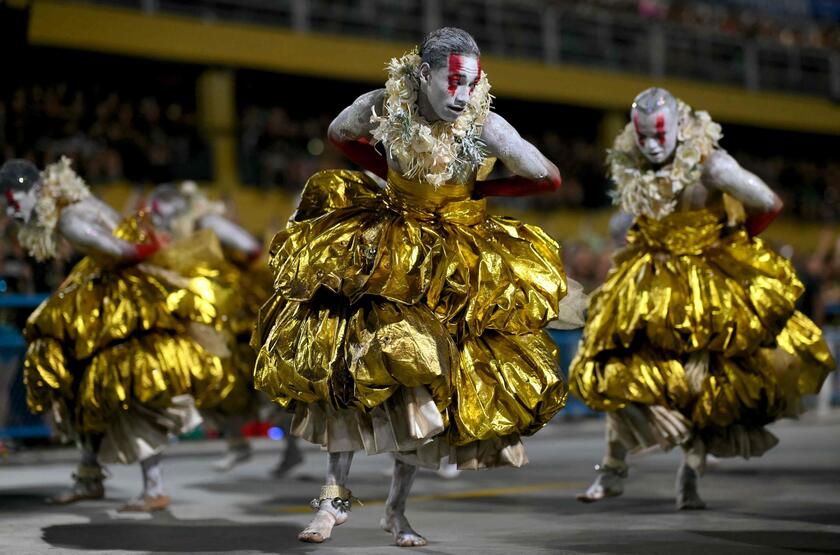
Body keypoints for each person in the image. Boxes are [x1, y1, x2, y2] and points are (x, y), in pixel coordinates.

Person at [252, 27, 582, 546]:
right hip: (387, 247)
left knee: (429, 390)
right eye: (452, 83)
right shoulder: (380, 105)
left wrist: (473, 191)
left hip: (452, 258)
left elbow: (549, 177)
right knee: (354, 370)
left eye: (470, 85)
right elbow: (340, 134)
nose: (461, 96)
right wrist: (387, 170)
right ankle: (332, 500)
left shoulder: (487, 126)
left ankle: (395, 511)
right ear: (423, 75)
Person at [570, 88, 835, 510]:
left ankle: (689, 477)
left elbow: (768, 202)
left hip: (703, 286)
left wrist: (731, 245)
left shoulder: (710, 163)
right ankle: (612, 471)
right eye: (644, 136)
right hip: (646, 279)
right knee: (618, 365)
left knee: (703, 386)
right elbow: (633, 213)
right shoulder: (633, 162)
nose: (653, 145)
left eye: (660, 135)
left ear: (678, 128)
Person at [1, 157, 237, 512]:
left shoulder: (69, 217)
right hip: (104, 293)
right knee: (79, 384)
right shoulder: (65, 204)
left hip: (121, 302)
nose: (9, 209)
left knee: (128, 386)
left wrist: (163, 257)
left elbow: (120, 251)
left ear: (27, 191)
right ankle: (89, 476)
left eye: (9, 200)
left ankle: (153, 487)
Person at [145, 182, 304, 475]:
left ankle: (282, 448)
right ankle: (239, 443)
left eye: (165, 217)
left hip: (241, 314)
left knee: (259, 384)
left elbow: (254, 251)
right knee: (214, 382)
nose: (163, 224)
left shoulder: (208, 223)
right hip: (215, 318)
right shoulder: (183, 234)